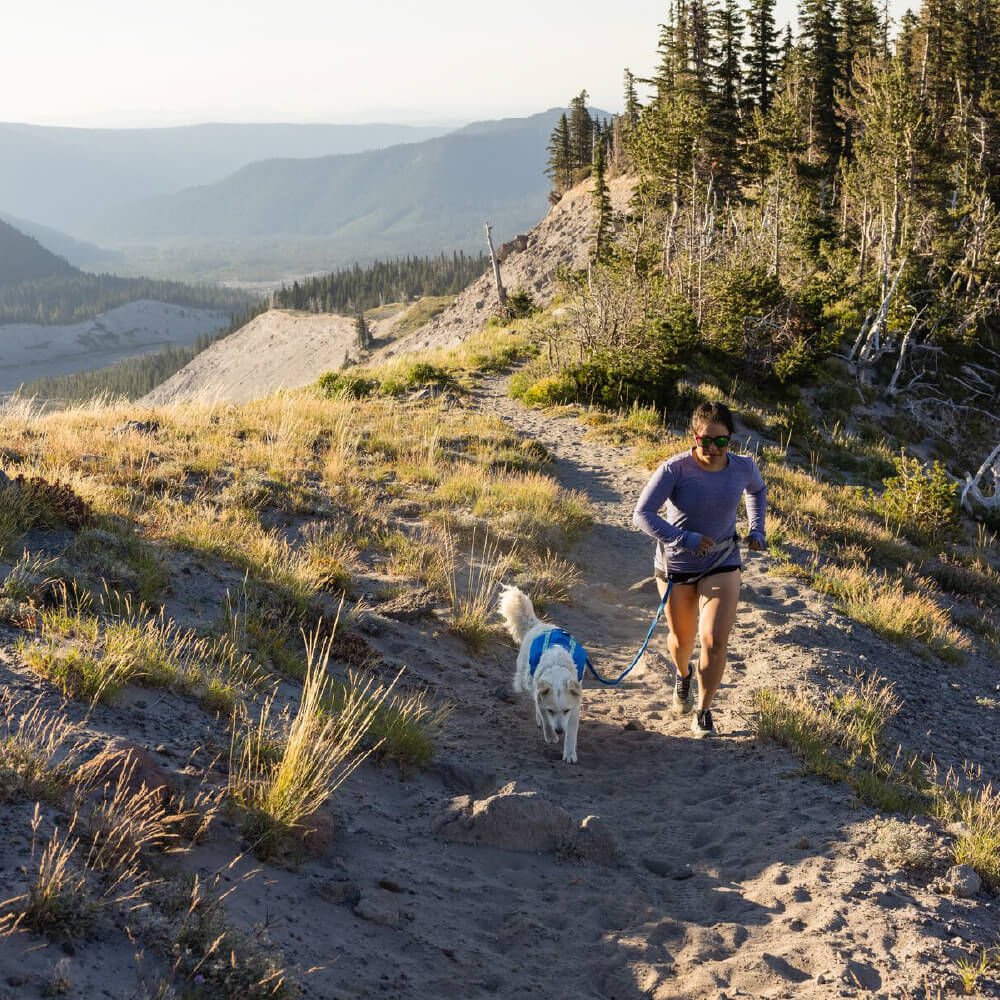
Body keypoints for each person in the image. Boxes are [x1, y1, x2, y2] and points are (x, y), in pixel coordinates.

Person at [632, 401, 766, 737]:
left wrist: (757, 528)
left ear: (731, 440)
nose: (714, 448)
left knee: (714, 640)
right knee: (682, 639)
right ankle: (683, 676)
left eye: (722, 442)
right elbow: (642, 514)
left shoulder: (743, 467)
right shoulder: (674, 469)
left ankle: (704, 711)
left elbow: (758, 490)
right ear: (695, 436)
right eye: (706, 440)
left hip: (722, 561)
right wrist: (683, 538)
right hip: (676, 566)